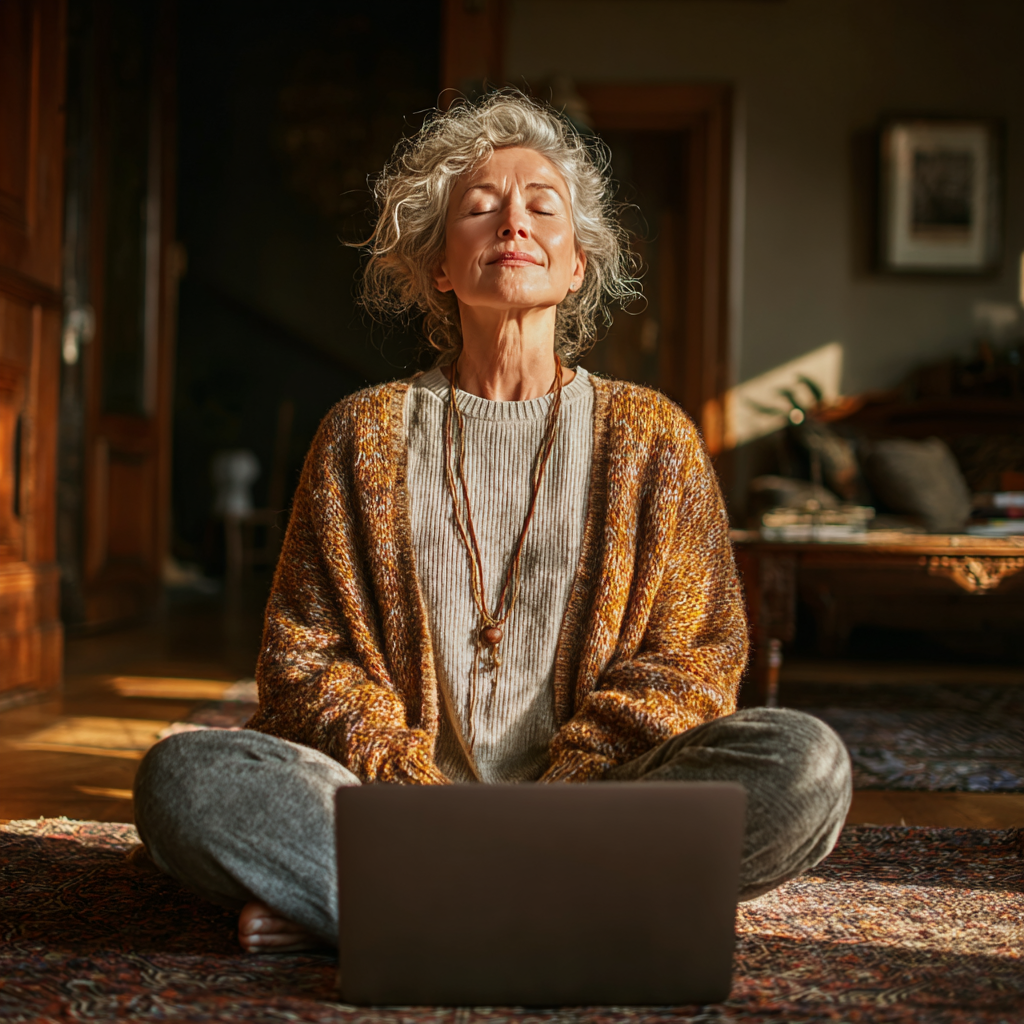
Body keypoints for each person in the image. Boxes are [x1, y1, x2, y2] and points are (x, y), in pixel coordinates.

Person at [134, 91, 851, 954]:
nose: (513, 220)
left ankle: (390, 910)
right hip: (392, 802)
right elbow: (303, 660)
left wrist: (562, 795)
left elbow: (698, 659)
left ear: (577, 263)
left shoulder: (653, 436)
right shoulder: (358, 432)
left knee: (807, 766)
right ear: (441, 265)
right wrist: (412, 789)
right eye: (480, 208)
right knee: (183, 778)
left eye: (542, 206)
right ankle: (581, 911)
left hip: (598, 802)